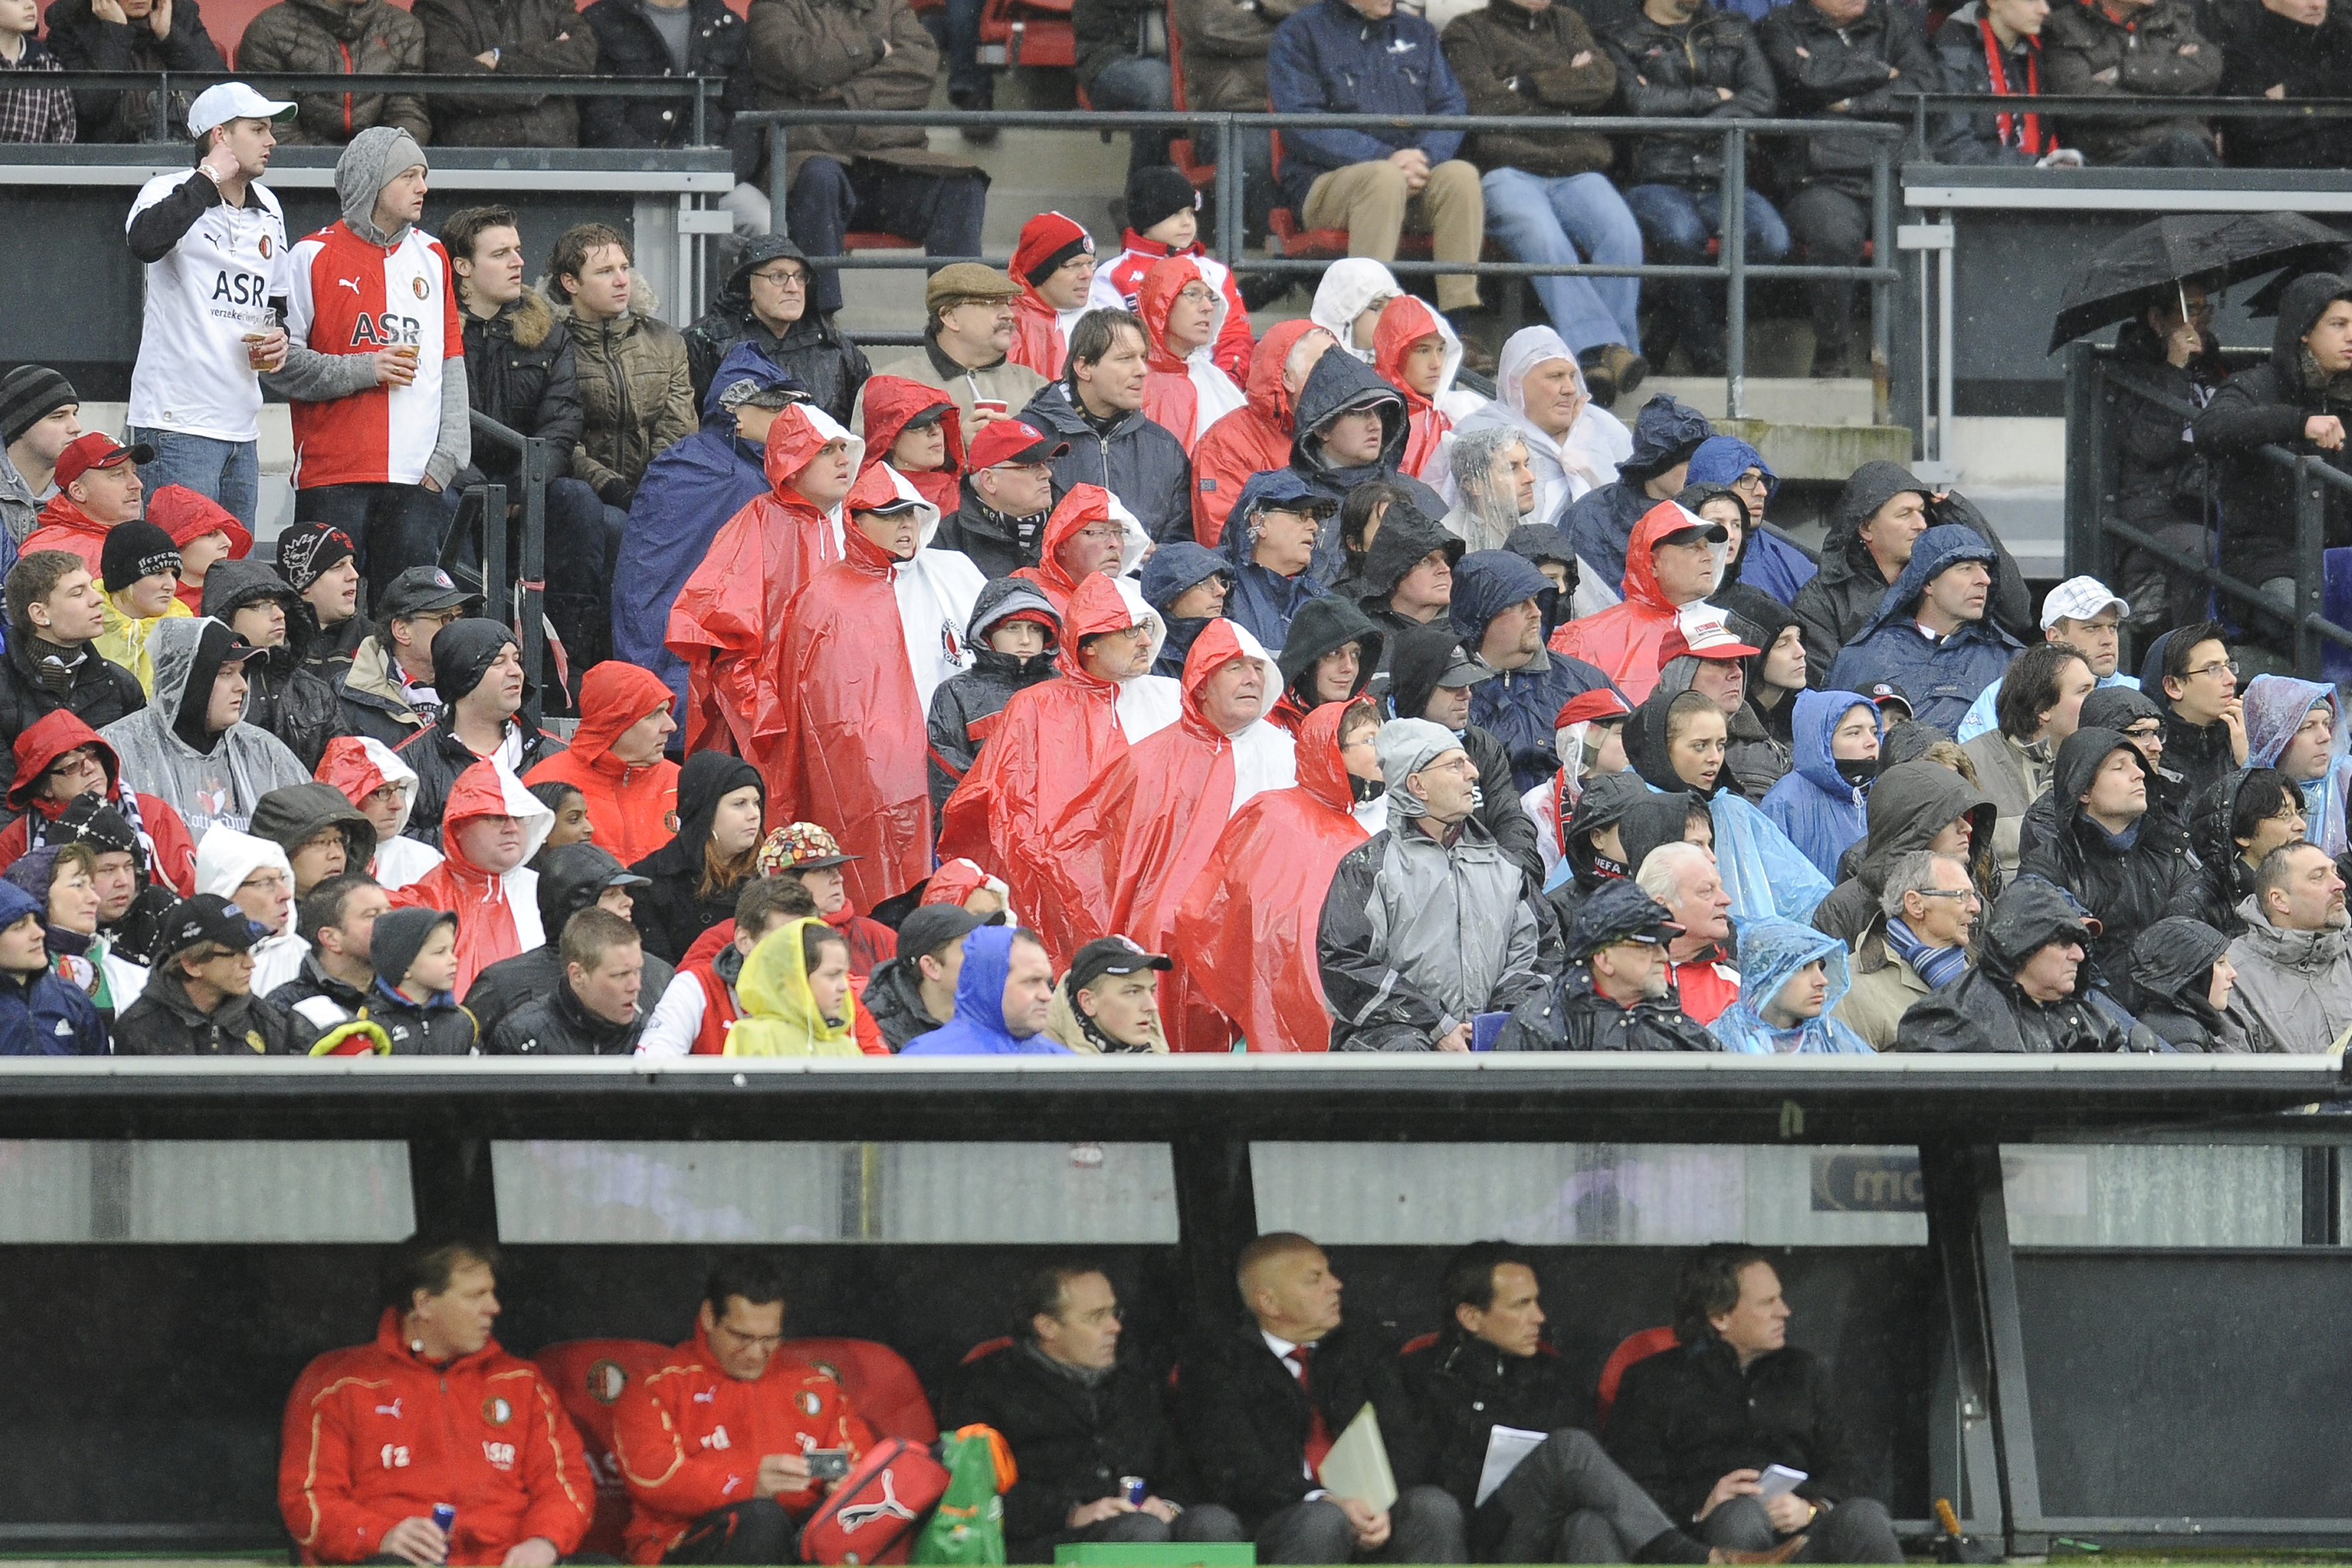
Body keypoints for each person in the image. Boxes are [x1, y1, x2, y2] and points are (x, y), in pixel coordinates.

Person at [1033, 622, 1295, 1042]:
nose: (1251, 678)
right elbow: (1088, 853)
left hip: (1266, 936)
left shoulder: (1287, 753)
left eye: (1258, 668)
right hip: (1168, 949)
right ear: (1201, 685)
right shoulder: (1149, 762)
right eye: (1235, 668)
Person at [280, 1238, 590, 1559]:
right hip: (391, 1561)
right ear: (425, 1304)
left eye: (492, 1293)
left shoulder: (522, 1383)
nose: (494, 1308)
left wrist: (543, 1542)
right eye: (475, 1296)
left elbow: (566, 1482)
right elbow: (306, 1500)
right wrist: (381, 1536)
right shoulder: (337, 1384)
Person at [766, 467, 983, 913]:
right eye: (890, 515)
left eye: (912, 515)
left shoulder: (952, 573)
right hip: (868, 775)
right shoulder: (822, 599)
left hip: (956, 760)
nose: (905, 526)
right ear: (856, 520)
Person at [1175, 1232, 1467, 1563]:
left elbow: (1405, 1439)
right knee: (1322, 1520)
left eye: (1329, 1273)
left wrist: (1375, 1510)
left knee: (1432, 1507)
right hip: (1274, 1519)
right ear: (1268, 1303)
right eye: (1315, 1280)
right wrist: (1324, 1500)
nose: (1336, 1285)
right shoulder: (1218, 1363)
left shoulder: (1361, 1345)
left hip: (1371, 1513)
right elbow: (1238, 1472)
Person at [270, 128, 467, 609]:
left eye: (424, 175)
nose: (423, 187)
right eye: (409, 176)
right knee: (325, 618)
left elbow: (451, 360)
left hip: (417, 477)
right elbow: (278, 366)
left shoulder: (433, 254)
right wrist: (366, 368)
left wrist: (449, 457)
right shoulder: (309, 256)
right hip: (331, 477)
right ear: (370, 183)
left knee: (408, 620)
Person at [1607, 1249, 1900, 1563]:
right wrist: (1701, 1505)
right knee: (1741, 1516)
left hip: (1804, 1535)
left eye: (1781, 1298)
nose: (1784, 1311)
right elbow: (1628, 1491)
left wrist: (1812, 1507)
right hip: (1709, 1543)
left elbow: (1851, 1468)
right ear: (1720, 1316)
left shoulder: (1805, 1372)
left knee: (1866, 1518)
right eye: (1767, 1303)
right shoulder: (1653, 1381)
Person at [945, 1260, 1245, 1556]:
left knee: (1214, 1524)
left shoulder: (1137, 1383)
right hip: (1045, 1540)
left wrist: (1168, 1504)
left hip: (1141, 1523)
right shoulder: (988, 1387)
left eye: (1114, 1312)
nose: (1115, 1327)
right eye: (1096, 1317)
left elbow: (1183, 1466)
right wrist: (1071, 1513)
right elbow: (972, 1490)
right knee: (1140, 1532)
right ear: (1047, 1327)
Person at [437, 204, 615, 678]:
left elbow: (561, 423)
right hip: (459, 478)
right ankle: (462, 659)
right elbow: (428, 421)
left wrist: (523, 484)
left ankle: (563, 666)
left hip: (528, 483)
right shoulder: (432, 328)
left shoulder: (548, 335)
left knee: (578, 502)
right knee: (436, 500)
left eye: (517, 250)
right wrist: (477, 484)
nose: (518, 262)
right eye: (501, 253)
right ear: (463, 268)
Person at [1439, 0, 1646, 399]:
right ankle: (1604, 351)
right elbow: (1482, 101)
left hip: (1576, 166)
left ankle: (1593, 363)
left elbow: (1604, 81)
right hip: (1505, 166)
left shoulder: (1567, 21)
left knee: (1623, 235)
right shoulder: (1467, 31)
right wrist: (1567, 90)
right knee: (1543, 238)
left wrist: (1530, 85)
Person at [609, 1255, 876, 1563]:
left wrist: (849, 1485)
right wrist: (749, 1484)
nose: (755, 1353)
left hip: (795, 1534)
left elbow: (861, 1464)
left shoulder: (815, 1386)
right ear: (709, 1317)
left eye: (770, 1339)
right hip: (685, 1540)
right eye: (742, 1337)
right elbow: (653, 1478)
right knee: (763, 1520)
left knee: (848, 1521)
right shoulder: (657, 1385)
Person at [939, 575, 1180, 913]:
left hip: (1151, 877)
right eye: (1128, 630)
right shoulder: (1033, 705)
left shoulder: (1171, 699)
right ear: (1088, 643)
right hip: (1060, 882)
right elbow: (995, 804)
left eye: (1146, 628)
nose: (1143, 641)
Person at [1269, 0, 1490, 359]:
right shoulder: (1300, 33)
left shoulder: (1417, 32)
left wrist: (1426, 156)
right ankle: (1369, 328)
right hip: (1325, 182)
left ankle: (1457, 325)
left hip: (1412, 174)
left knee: (1460, 176)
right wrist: (1382, 157)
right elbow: (1302, 125)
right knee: (1383, 178)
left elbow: (1451, 105)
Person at [1319, 718, 1550, 1051]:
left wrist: (1494, 1026)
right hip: (1396, 1058)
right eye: (1456, 765)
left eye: (1469, 762)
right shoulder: (1368, 870)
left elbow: (1542, 954)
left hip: (1491, 1049)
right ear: (1418, 785)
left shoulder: (1507, 869)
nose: (1474, 773)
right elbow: (1343, 964)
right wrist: (1435, 1026)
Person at [745, 0, 984, 321]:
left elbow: (921, 69)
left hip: (891, 159)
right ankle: (818, 325)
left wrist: (832, 94)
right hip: (811, 159)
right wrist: (871, 49)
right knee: (818, 177)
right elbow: (798, 64)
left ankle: (962, 318)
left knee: (963, 184)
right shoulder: (772, 7)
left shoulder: (891, 6)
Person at [119, 84, 291, 528]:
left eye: (270, 129)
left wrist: (279, 338)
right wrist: (206, 180)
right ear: (221, 136)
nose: (271, 141)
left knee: (234, 579)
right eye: (258, 129)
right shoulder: (168, 189)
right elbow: (144, 242)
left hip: (242, 423)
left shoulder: (270, 206)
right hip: (177, 420)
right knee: (178, 575)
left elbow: (274, 302)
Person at [1172, 698, 1381, 1052]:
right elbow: (1222, 907)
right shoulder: (1273, 814)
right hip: (1281, 990)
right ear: (1333, 749)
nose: (1384, 751)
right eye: (1370, 739)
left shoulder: (1385, 819)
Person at [666, 402, 861, 763]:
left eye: (843, 449)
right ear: (793, 460)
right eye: (825, 450)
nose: (843, 461)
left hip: (841, 712)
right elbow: (720, 631)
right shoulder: (757, 522)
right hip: (767, 716)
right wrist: (757, 706)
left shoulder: (857, 526)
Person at [617, 347, 805, 711]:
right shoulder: (728, 476)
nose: (789, 418)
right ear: (736, 410)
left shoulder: (720, 467)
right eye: (776, 407)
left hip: (678, 679)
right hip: (695, 679)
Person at [1599, 0, 1780, 377]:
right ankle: (1709, 356)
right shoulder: (1620, 37)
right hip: (1655, 177)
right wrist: (1717, 96)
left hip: (1724, 175)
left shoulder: (1731, 27)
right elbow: (1639, 103)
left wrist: (1689, 117)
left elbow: (1762, 97)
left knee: (1772, 239)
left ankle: (1669, 331)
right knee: (1682, 237)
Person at [1757, 0, 1933, 377]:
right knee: (1835, 237)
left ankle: (1918, 359)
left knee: (1932, 236)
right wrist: (1883, 72)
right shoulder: (1780, 25)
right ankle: (1832, 348)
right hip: (1819, 175)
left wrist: (1852, 100)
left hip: (1893, 171)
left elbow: (1924, 85)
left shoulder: (1892, 22)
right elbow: (1802, 79)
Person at [2195, 275, 2352, 631]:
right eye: (2338, 325)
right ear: (2304, 332)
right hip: (2266, 560)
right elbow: (2210, 429)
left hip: (2339, 561)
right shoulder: (2256, 385)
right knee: (2302, 623)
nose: (2351, 336)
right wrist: (2299, 422)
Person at [1790, 463, 2029, 686]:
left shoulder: (1942, 582)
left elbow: (2016, 615)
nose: (1921, 524)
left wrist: (1958, 513)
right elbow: (1830, 685)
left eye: (1923, 513)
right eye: (1905, 514)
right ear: (1865, 528)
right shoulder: (1823, 600)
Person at [1620, 686, 1832, 926]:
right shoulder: (1630, 809)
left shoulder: (1734, 811)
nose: (1715, 757)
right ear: (1661, 749)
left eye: (1721, 745)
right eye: (1700, 746)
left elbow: (1803, 894)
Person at [100, 615, 309, 842]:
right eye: (226, 674)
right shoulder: (120, 749)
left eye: (241, 672)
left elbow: (311, 828)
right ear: (187, 680)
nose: (243, 686)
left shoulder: (263, 751)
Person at [1899, 872, 2156, 1053]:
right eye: (2064, 943)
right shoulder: (1950, 1016)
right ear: (2025, 945)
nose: (2079, 955)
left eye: (2080, 944)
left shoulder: (2093, 1019)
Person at [548, 223, 695, 512]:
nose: (621, 281)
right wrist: (612, 488)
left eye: (624, 268)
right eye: (605, 272)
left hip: (659, 492)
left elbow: (679, 427)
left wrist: (652, 488)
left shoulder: (664, 341)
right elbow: (559, 438)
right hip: (584, 497)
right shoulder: (551, 344)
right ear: (571, 283)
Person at [1824, 524, 2024, 736]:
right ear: (1928, 583)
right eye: (1966, 568)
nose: (1985, 580)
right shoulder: (1863, 659)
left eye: (1984, 568)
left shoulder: (2011, 662)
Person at [1020, 311, 1195, 548]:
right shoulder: (1028, 437)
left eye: (1143, 357)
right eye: (1126, 359)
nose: (1142, 370)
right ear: (1083, 368)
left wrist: (1158, 558)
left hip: (1141, 583)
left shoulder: (1164, 447)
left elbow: (1183, 543)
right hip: (1051, 582)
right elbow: (1012, 539)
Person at [1389, 627, 1546, 888]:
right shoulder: (1381, 752)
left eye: (1467, 684)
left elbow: (1512, 822)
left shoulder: (1482, 745)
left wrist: (1504, 881)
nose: (1467, 694)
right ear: (1419, 690)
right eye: (1453, 686)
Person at [390, 757, 554, 996]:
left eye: (519, 817)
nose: (512, 828)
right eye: (496, 818)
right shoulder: (424, 899)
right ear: (459, 827)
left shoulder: (547, 891)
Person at [463, 842, 665, 1036]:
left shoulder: (660, 975)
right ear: (575, 907)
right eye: (611, 894)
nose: (628, 901)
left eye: (624, 892)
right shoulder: (503, 986)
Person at [1490, 876, 1711, 1052]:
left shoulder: (1672, 1023)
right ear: (1604, 959)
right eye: (1647, 947)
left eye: (1664, 945)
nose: (1663, 956)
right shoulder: (1540, 1028)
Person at [395, 620, 565, 844]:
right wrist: (471, 837)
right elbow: (392, 846)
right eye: (498, 662)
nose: (516, 672)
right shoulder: (407, 764)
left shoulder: (557, 756)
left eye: (516, 660)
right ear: (462, 674)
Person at [1454, 551, 1610, 793]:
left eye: (1537, 600)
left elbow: (1632, 759)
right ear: (1482, 614)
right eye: (1519, 604)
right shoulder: (1449, 690)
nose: (1536, 612)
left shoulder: (1583, 680)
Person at [578, 0, 755, 210]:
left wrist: (719, 176)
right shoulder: (602, 20)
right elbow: (600, 120)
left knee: (761, 219)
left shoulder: (727, 25)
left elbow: (746, 119)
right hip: (627, 187)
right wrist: (659, 172)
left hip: (714, 186)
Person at [0, 709, 197, 898]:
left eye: (94, 756)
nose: (89, 768)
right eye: (72, 766)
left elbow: (190, 892)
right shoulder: (15, 842)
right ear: (44, 787)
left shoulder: (152, 814)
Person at [1551, 501, 1727, 705]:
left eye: (1706, 546)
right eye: (1692, 547)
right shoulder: (1582, 639)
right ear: (1652, 563)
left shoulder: (1729, 626)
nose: (1710, 556)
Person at [1808, 757, 1998, 947]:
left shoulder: (1974, 901)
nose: (1967, 828)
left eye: (1966, 816)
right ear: (1912, 830)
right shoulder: (1843, 910)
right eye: (1950, 818)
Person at [680, 236, 870, 424]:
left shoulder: (834, 347)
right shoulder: (708, 341)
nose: (793, 288)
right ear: (749, 286)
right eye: (778, 277)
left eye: (799, 276)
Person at [1454, 328, 1627, 528]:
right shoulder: (1478, 435)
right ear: (1515, 383)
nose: (1570, 389)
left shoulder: (1604, 430)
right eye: (1555, 377)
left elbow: (1633, 518)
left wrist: (1582, 461)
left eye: (1572, 376)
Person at [511, 663, 676, 872]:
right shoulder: (545, 782)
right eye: (654, 715)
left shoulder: (681, 782)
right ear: (614, 722)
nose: (671, 726)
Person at [1093, 177, 1255, 386]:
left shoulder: (1215, 272)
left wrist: (1225, 384)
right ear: (1147, 218)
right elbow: (1113, 345)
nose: (1187, 222)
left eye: (1190, 212)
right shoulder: (1113, 275)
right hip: (1142, 391)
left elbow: (1235, 336)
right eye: (1175, 213)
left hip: (1209, 387)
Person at [1194, 323, 1339, 549]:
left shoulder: (1351, 431)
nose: (1338, 377)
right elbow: (1226, 540)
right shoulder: (1227, 443)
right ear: (1287, 378)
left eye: (1341, 366)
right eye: (1324, 367)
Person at [636, 874, 815, 1056]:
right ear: (743, 940)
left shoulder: (833, 989)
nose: (797, 954)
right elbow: (651, 1069)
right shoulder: (697, 987)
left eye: (806, 942)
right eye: (783, 941)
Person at [862, 266, 1046, 441]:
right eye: (992, 303)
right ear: (950, 317)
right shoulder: (893, 385)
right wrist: (958, 450)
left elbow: (1063, 463)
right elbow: (869, 466)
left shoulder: (1036, 387)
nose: (1009, 314)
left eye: (1007, 303)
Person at [927, 580, 1061, 817]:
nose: (1025, 640)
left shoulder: (1065, 690)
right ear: (987, 632)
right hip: (985, 835)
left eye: (1035, 629)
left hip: (1061, 834)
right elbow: (950, 776)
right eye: (1013, 628)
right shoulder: (957, 693)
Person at [1959, 641, 2093, 876]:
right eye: (2084, 691)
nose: (2097, 700)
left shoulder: (2111, 760)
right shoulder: (1969, 766)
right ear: (2043, 708)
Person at [1561, 400, 1715, 603]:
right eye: (1690, 461)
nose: (1700, 471)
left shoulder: (1719, 509)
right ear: (1658, 464)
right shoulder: (1592, 519)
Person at [1954, 576, 2136, 746]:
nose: (2108, 639)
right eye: (2092, 628)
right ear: (2055, 637)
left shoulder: (2141, 692)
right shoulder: (2005, 694)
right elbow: (1976, 763)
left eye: (2113, 627)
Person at [199, 560, 342, 771]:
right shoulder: (203, 690)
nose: (280, 614)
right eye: (264, 606)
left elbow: (344, 770)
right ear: (226, 615)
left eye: (280, 605)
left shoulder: (314, 691)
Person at [2041, 0, 2219, 167]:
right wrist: (2171, 97)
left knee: (2187, 147)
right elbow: (2080, 100)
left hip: (2190, 155)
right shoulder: (2065, 27)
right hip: (2115, 163)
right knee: (2181, 145)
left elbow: (2208, 69)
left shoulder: (2175, 16)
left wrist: (2123, 72)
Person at [1833, 848, 1978, 1050]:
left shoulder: (1983, 975)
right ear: (1915, 904)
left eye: (1973, 895)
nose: (1976, 906)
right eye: (1962, 895)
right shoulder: (1851, 987)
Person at [233, 0, 430, 147]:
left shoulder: (405, 29)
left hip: (381, 180)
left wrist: (375, 171)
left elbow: (408, 115)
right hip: (298, 180)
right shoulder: (269, 31)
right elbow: (275, 127)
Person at [111, 890, 285, 1054]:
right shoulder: (138, 1030)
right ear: (192, 964)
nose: (250, 963)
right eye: (235, 954)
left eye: (249, 950)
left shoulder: (268, 1023)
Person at [629, 753, 763, 965]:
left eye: (756, 803)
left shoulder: (768, 875)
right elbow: (656, 974)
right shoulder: (649, 882)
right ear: (704, 812)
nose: (754, 814)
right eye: (740, 804)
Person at [1285, 349, 1449, 522]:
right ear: (1322, 429)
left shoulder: (1416, 497)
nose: (1376, 425)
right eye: (1361, 414)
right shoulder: (1286, 497)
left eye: (1379, 413)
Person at [2225, 841, 2352, 1053]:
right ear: (2280, 901)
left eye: (2335, 872)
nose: (2339, 884)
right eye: (2318, 877)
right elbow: (2236, 1080)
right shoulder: (2232, 977)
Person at [45, 0, 225, 144]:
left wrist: (169, 37)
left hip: (183, 150)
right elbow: (93, 108)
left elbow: (223, 96)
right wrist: (116, 31)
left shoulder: (181, 15)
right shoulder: (71, 25)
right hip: (110, 159)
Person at [483, 907, 651, 1056]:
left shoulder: (652, 1035)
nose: (636, 985)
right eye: (621, 975)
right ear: (578, 975)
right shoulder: (522, 1038)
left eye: (638, 971)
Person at [1758, 691, 1881, 883]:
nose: (1872, 742)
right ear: (1821, 741)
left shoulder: (1880, 795)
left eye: (1874, 732)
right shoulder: (1786, 801)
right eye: (1854, 733)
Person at [269, 872, 395, 1056]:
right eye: (372, 915)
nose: (389, 923)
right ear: (331, 938)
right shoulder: (285, 1007)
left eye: (389, 912)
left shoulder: (407, 994)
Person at [2218, 0, 2352, 170]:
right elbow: (2250, 137)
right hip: (2277, 188)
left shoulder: (2341, 44)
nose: (2317, 4)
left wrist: (2297, 90)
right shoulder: (2243, 59)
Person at [755, 821, 899, 979]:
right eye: (823, 870)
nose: (839, 879)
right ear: (786, 882)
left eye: (837, 870)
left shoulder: (879, 936)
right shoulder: (757, 935)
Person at [2169, 768, 2304, 937]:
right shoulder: (2196, 907)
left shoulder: (2311, 887)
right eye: (2284, 815)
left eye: (2299, 813)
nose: (2301, 825)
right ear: (2242, 834)